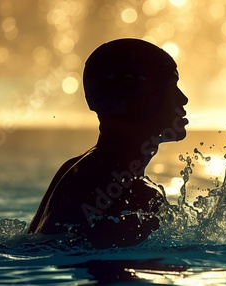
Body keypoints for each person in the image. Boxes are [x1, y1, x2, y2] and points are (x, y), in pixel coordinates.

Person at [27, 38, 189, 248]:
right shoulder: (136, 196)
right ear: (140, 100)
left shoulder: (73, 170)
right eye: (171, 88)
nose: (183, 99)